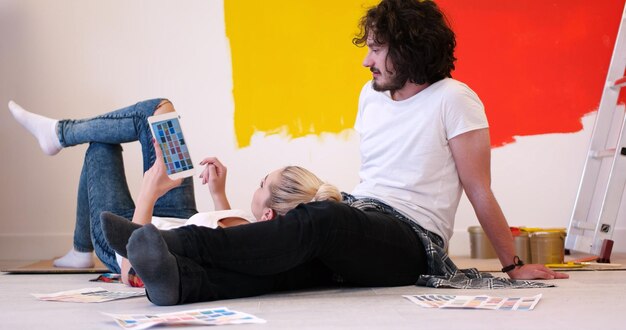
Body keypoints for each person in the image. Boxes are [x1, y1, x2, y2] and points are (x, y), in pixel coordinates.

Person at [97, 0, 567, 306]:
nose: (367, 60)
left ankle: (174, 244)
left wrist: (511, 265)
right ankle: (180, 282)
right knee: (292, 263)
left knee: (322, 218)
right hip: (366, 216)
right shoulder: (371, 95)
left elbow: (478, 188)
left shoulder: (454, 99)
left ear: (410, 52)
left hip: (411, 241)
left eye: (378, 50)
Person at [7, 99, 342, 283]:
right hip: (181, 218)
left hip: (130, 237)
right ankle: (58, 136)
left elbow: (134, 266)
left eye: (261, 184)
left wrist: (148, 194)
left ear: (269, 214)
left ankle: (60, 136)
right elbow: (225, 231)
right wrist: (217, 193)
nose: (256, 182)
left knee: (100, 147)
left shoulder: (251, 243)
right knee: (161, 111)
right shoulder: (260, 233)